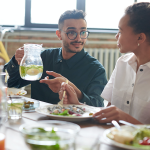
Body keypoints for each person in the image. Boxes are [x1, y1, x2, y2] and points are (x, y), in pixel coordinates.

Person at [59, 2, 150, 124]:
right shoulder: (122, 63)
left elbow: (119, 117)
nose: (116, 36)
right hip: (112, 138)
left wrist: (126, 119)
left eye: (120, 31)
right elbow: (107, 113)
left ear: (140, 38)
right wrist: (77, 104)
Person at [4, 10, 107, 106]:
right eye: (71, 32)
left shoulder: (96, 70)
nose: (79, 38)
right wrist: (15, 62)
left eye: (83, 32)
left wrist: (73, 91)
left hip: (74, 123)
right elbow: (9, 83)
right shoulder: (43, 58)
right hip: (38, 121)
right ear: (59, 35)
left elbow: (98, 106)